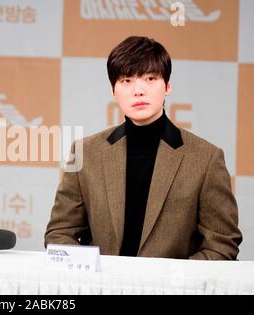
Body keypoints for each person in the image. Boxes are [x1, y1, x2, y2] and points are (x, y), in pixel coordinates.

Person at [45, 36, 242, 259]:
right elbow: (60, 233)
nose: (138, 91)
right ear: (113, 90)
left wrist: (171, 282)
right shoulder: (85, 152)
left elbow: (222, 244)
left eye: (150, 79)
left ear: (167, 86)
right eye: (127, 81)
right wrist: (93, 276)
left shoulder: (206, 159)